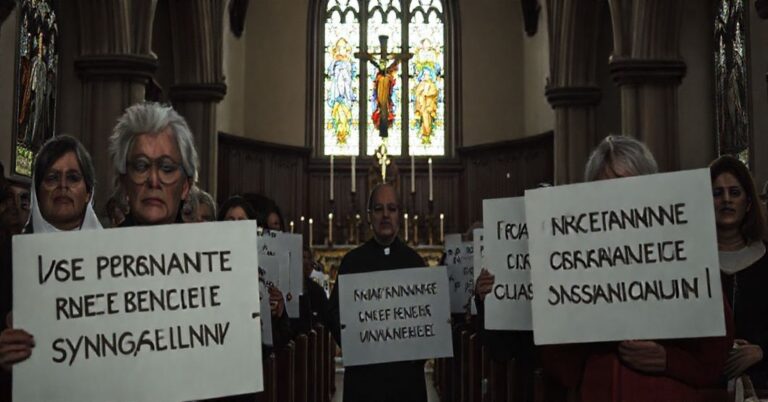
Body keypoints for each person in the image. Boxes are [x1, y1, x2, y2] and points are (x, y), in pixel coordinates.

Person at [540, 135, 734, 401]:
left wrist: (667, 359)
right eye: (606, 190)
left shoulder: (686, 252)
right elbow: (559, 366)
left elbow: (714, 356)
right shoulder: (574, 262)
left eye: (629, 186)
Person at [0, 135, 102, 392]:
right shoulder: (6, 258)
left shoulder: (117, 258)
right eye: (52, 178)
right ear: (37, 190)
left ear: (88, 191)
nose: (63, 186)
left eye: (74, 178)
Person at [328, 182, 428, 402]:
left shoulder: (415, 262)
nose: (385, 215)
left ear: (399, 215)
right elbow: (334, 313)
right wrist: (354, 343)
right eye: (378, 209)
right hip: (364, 378)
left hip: (406, 379)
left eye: (391, 209)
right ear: (369, 216)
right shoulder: (352, 262)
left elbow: (427, 316)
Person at [711, 156, 768, 389]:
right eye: (717, 193)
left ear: (748, 203)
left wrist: (762, 350)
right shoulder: (690, 262)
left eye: (734, 192)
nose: (726, 199)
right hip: (706, 384)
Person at [108, 102, 197, 226]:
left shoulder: (204, 245)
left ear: (185, 187)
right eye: (141, 166)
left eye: (166, 168)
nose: (153, 181)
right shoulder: (102, 244)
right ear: (124, 181)